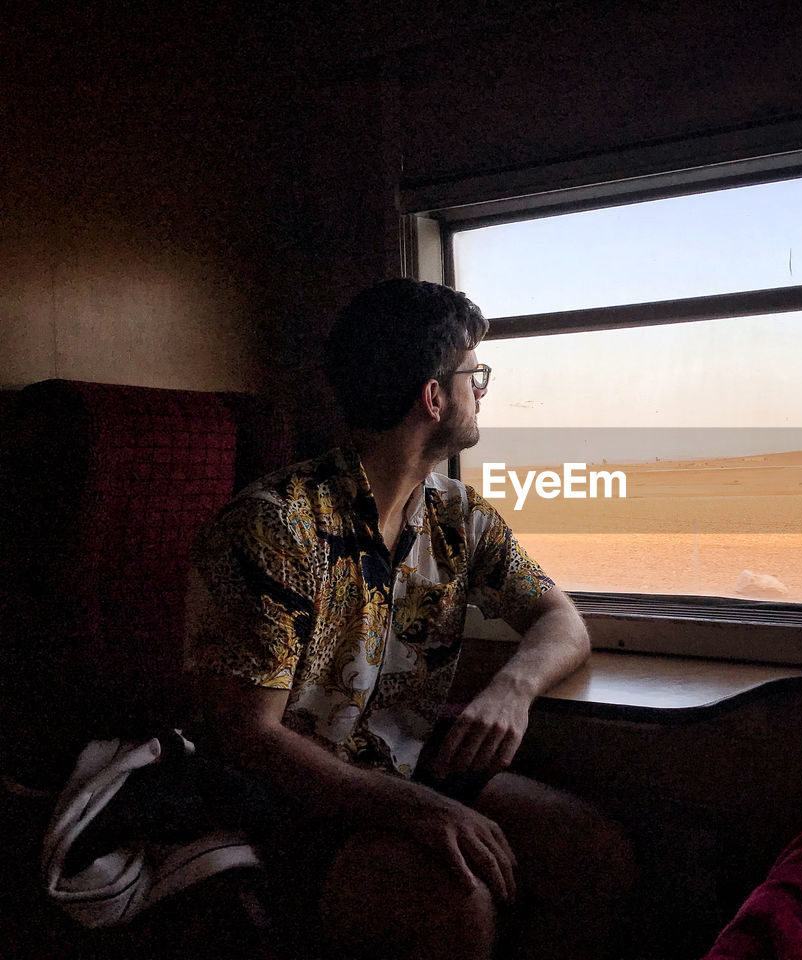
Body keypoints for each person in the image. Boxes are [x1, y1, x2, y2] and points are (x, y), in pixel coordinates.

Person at [184, 279, 632, 960]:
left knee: (594, 853)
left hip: (403, 768)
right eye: (472, 374)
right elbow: (246, 735)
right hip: (284, 805)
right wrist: (415, 808)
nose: (480, 390)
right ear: (432, 397)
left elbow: (560, 619)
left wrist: (510, 692)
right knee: (455, 902)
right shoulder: (276, 528)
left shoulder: (456, 516)